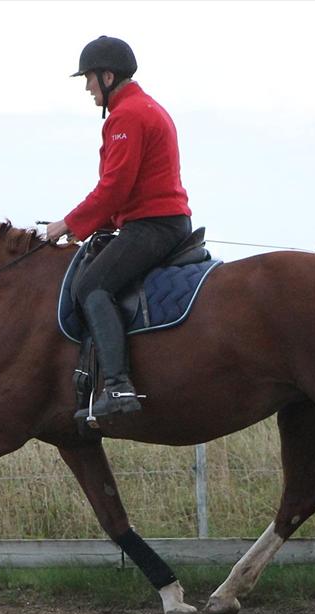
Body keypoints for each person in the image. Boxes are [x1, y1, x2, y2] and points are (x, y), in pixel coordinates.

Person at [46, 36, 192, 422]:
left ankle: (117, 385)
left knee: (91, 286)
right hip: (158, 221)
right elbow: (129, 190)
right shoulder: (145, 108)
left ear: (108, 77)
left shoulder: (127, 115)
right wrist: (93, 224)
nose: (87, 87)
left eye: (89, 78)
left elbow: (114, 187)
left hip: (153, 226)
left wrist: (69, 222)